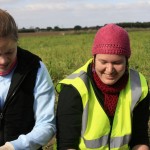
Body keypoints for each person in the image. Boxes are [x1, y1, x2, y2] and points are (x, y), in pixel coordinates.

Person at [56, 23, 150, 150]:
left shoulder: (139, 85)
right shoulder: (73, 89)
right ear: (94, 58)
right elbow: (67, 145)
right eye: (103, 62)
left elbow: (140, 138)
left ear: (127, 61)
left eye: (117, 62)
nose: (109, 70)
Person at [0, 9, 56, 150]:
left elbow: (46, 124)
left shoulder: (34, 68)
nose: (3, 60)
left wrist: (15, 147)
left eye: (9, 52)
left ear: (17, 42)